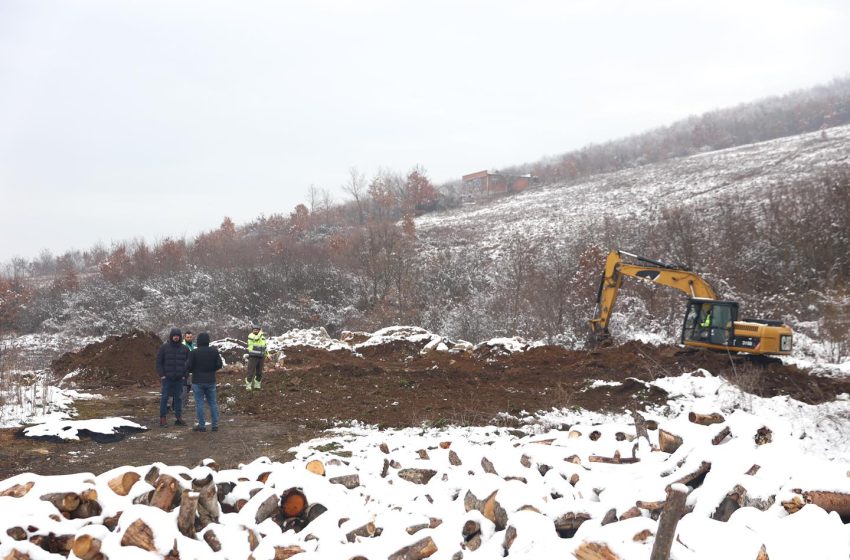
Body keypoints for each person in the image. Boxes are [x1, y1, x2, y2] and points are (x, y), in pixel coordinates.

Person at [185, 332, 223, 432]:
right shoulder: (214, 351)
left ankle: (202, 426)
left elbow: (188, 366)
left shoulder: (193, 352)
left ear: (198, 341)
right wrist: (212, 369)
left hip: (197, 380)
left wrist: (193, 370)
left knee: (199, 404)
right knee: (213, 403)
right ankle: (215, 425)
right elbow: (219, 364)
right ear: (208, 340)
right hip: (210, 380)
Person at [156, 327, 190, 427]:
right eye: (174, 336)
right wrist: (162, 375)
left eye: (178, 336)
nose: (176, 337)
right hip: (167, 378)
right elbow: (158, 362)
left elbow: (188, 364)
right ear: (171, 336)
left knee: (178, 398)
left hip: (179, 379)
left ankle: (178, 418)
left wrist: (185, 375)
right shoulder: (164, 348)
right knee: (164, 398)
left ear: (180, 337)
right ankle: (162, 419)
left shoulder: (185, 349)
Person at [245, 323, 269, 391]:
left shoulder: (262, 337)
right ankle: (248, 386)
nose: (256, 331)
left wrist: (267, 355)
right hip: (253, 356)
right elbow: (256, 339)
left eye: (257, 330)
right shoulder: (251, 336)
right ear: (252, 330)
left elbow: (265, 346)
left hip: (261, 357)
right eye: (254, 330)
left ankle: (257, 385)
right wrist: (260, 333)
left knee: (259, 372)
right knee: (250, 371)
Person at [180, 331, 196, 407]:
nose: (189, 338)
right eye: (188, 337)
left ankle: (185, 401)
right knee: (184, 387)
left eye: (190, 337)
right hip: (185, 369)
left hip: (192, 370)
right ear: (185, 337)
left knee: (188, 387)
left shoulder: (193, 345)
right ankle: (182, 403)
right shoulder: (183, 346)